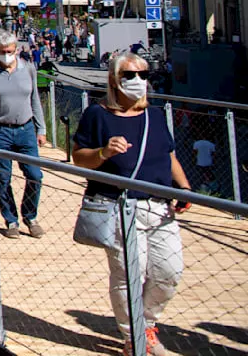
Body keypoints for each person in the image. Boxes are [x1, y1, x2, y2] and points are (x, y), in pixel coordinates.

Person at [72, 52, 192, 355]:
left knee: (169, 271)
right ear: (114, 79)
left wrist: (185, 187)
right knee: (128, 273)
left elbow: (168, 155)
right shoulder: (97, 115)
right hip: (120, 206)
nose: (137, 81)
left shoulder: (154, 115)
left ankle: (147, 322)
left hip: (160, 205)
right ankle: (135, 336)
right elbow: (78, 157)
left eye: (143, 74)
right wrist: (103, 153)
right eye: (129, 75)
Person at [0, 30, 47, 239]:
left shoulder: (28, 69)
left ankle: (30, 215)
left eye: (9, 51)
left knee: (35, 175)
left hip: (25, 129)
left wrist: (41, 128)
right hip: (1, 130)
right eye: (1, 51)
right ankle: (11, 220)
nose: (5, 55)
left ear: (16, 50)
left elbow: (35, 99)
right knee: (3, 177)